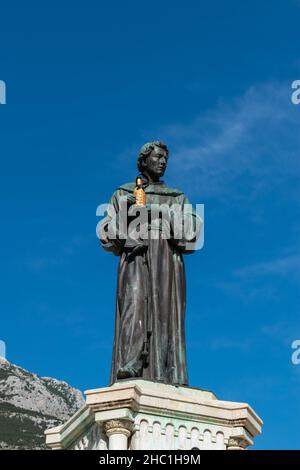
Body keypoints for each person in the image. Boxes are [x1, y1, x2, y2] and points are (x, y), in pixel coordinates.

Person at [99, 141, 201, 386]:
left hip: (166, 259)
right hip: (135, 255)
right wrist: (128, 218)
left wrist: (156, 213)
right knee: (134, 307)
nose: (163, 162)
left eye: (166, 158)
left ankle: (168, 371)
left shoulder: (177, 197)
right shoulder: (124, 193)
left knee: (165, 315)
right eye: (158, 157)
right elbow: (107, 232)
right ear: (143, 161)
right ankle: (130, 364)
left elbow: (192, 231)